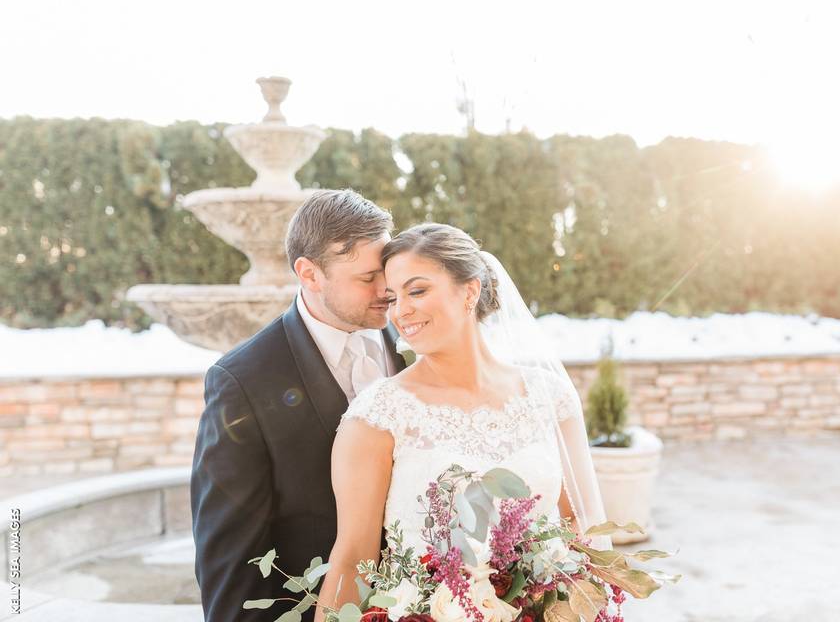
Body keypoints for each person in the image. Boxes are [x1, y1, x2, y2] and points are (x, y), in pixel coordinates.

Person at [315, 222, 608, 619]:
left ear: (470, 290)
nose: (401, 311)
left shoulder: (549, 396)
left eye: (416, 291)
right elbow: (352, 562)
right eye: (392, 298)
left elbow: (581, 528)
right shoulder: (376, 417)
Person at [191, 189, 407, 621]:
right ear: (310, 274)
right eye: (367, 279)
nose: (387, 290)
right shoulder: (241, 382)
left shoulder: (415, 340)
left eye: (385, 271)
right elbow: (230, 565)